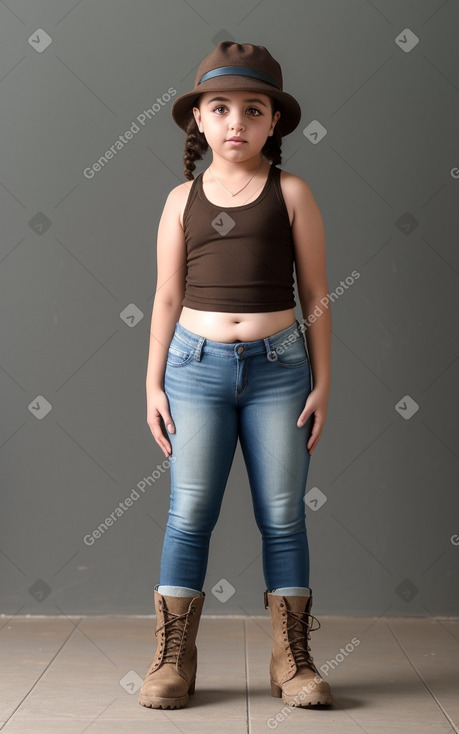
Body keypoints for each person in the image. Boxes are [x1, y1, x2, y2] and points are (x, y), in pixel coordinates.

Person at [138, 41, 334, 711]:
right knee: (189, 511)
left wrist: (322, 380)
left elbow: (315, 295)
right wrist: (152, 384)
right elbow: (166, 297)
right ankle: (173, 657)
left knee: (281, 515)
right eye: (219, 108)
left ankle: (292, 657)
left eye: (252, 110)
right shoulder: (179, 200)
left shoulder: (292, 193)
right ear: (198, 119)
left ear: (272, 122)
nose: (235, 123)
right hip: (193, 369)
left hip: (279, 369)